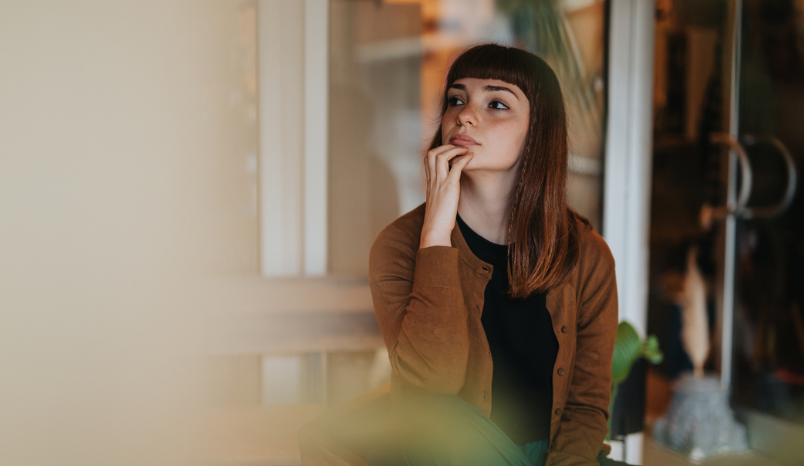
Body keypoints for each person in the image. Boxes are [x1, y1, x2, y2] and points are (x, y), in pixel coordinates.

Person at [365, 43, 620, 466]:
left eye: (497, 103)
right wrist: (436, 233)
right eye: (456, 99)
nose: (465, 114)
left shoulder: (587, 256)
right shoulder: (398, 246)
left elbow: (587, 406)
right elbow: (433, 384)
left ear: (538, 130)